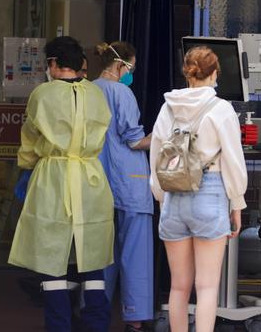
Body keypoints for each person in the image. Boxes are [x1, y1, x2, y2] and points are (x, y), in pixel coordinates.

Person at [9, 36, 114, 332]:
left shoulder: (42, 94)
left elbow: (30, 138)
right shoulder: (96, 94)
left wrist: (27, 166)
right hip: (90, 178)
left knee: (51, 256)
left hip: (53, 178)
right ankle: (97, 324)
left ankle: (59, 326)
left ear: (53, 63)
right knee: (91, 258)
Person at [149, 46, 247, 332]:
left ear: (187, 73)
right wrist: (237, 203)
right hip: (211, 192)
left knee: (179, 287)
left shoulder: (167, 107)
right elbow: (232, 159)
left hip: (173, 198)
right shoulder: (221, 109)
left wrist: (160, 198)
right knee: (206, 287)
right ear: (215, 73)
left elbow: (157, 155)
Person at [93, 42, 154, 332]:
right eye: (131, 68)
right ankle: (135, 318)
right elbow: (134, 140)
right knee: (134, 253)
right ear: (121, 66)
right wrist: (165, 134)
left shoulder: (89, 90)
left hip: (97, 181)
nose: (131, 73)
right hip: (129, 183)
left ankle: (94, 311)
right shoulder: (122, 92)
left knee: (100, 252)